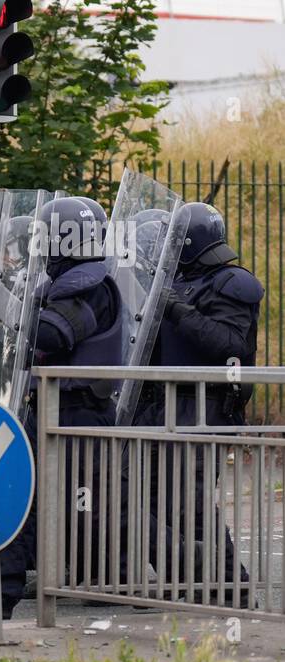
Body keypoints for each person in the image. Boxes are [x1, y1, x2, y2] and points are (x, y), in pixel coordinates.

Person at [0, 196, 124, 619]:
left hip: (80, 415)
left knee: (102, 509)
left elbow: (54, 334)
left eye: (43, 237)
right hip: (48, 410)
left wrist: (7, 307)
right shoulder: (61, 284)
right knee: (21, 497)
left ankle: (214, 574)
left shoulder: (92, 287)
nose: (37, 247)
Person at [133, 201, 261, 604]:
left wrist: (174, 308)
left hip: (203, 408)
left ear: (189, 242)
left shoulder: (231, 283)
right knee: (155, 499)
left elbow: (229, 345)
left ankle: (236, 591)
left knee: (192, 505)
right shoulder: (180, 279)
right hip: (163, 407)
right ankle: (193, 582)